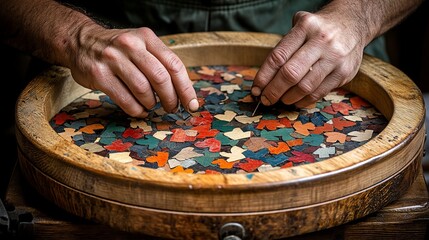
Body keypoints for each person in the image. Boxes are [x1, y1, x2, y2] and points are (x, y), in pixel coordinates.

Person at [0, 0, 423, 118]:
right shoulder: (79, 37)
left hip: (320, 31)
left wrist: (358, 16)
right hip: (102, 29)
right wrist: (75, 35)